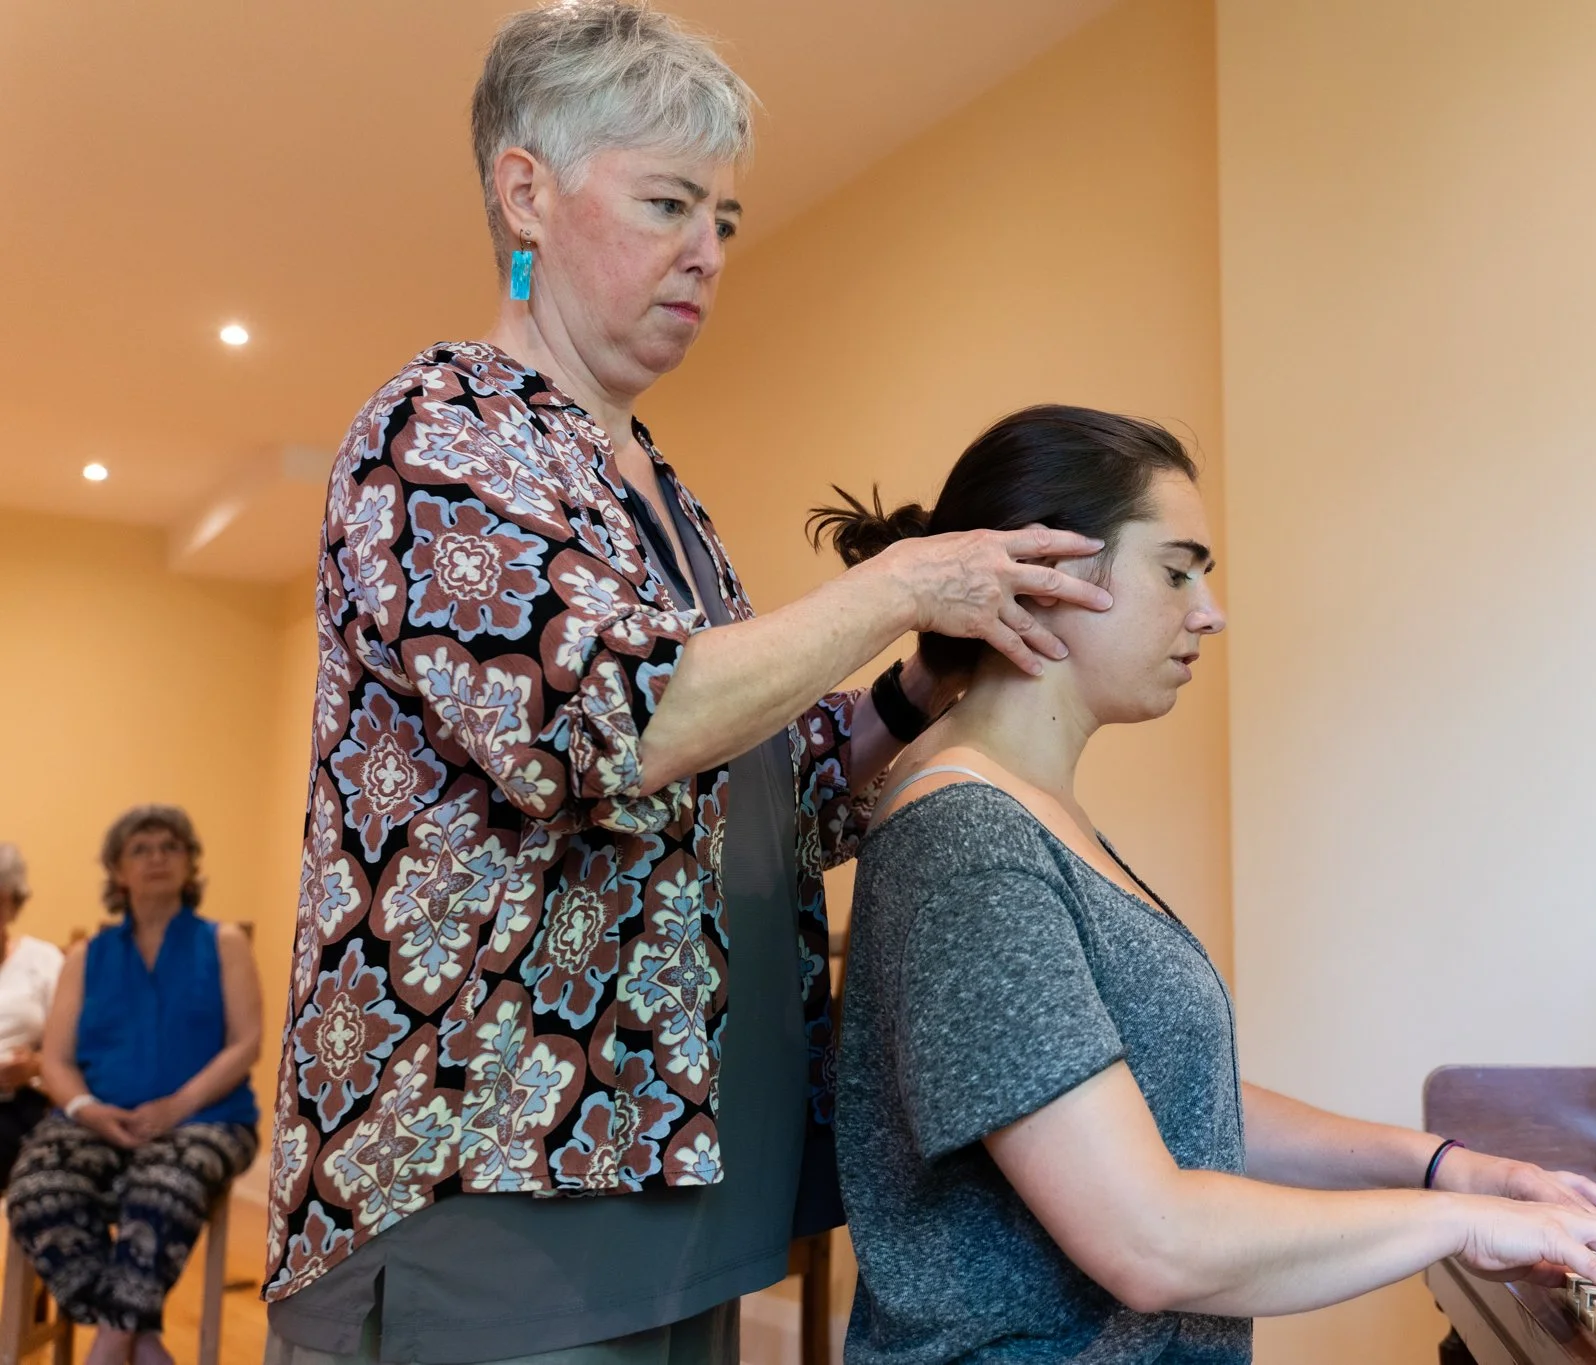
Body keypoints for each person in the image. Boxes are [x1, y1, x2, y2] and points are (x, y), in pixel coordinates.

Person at [261, 5, 1112, 1364]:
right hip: (491, 1206)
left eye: (725, 217)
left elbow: (755, 801)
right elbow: (607, 729)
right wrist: (898, 584)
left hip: (679, 1188)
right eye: (668, 203)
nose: (709, 253)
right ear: (525, 189)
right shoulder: (443, 430)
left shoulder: (664, 499)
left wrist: (912, 690)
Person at [822, 406, 1596, 1363]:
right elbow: (1148, 1240)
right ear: (1054, 575)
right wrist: (1461, 1225)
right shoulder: (970, 841)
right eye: (1176, 569)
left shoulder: (1028, 816)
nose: (1209, 608)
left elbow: (1175, 1105)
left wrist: (1449, 1168)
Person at [7, 806, 261, 1365]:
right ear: (117, 872)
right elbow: (56, 1061)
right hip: (98, 1118)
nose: (156, 858)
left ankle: (107, 1348)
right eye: (140, 849)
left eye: (170, 846)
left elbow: (246, 1045)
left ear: (191, 864)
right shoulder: (86, 956)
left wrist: (177, 1107)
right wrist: (90, 1111)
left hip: (206, 1118)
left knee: (161, 1187)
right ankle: (136, 1337)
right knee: (36, 1190)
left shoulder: (224, 944)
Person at [0, 844, 65, 1181]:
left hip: (16, 1105)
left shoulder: (44, 961)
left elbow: (74, 1050)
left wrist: (35, 1067)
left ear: (14, 905)